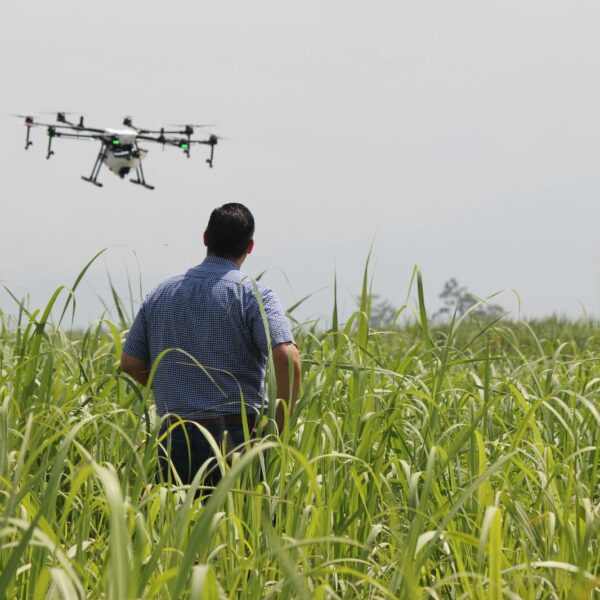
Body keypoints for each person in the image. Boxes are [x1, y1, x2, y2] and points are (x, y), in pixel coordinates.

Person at [120, 203, 301, 488]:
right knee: (238, 526)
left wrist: (176, 386)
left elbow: (130, 363)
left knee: (176, 527)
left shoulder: (160, 293)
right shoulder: (254, 295)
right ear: (250, 246)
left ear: (205, 237)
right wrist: (276, 430)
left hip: (176, 433)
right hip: (237, 435)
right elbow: (287, 358)